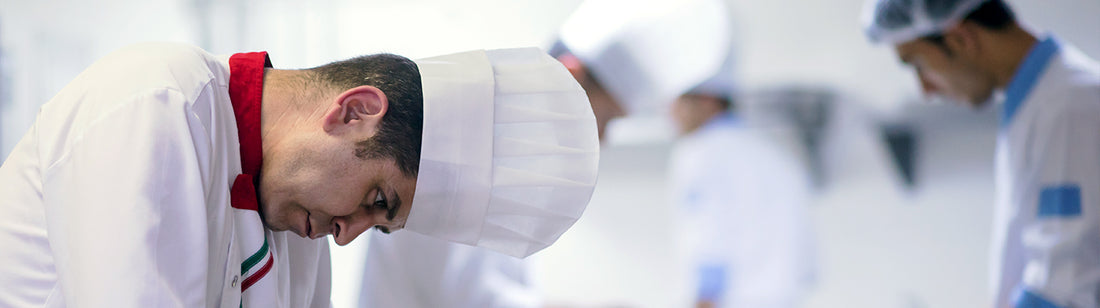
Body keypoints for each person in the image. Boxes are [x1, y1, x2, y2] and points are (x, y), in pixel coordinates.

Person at [0, 42, 599, 307]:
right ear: (356, 110)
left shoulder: (297, 227)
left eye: (377, 224)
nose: (347, 233)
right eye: (376, 199)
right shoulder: (159, 106)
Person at [357, 0, 732, 307]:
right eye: (607, 118)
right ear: (572, 75)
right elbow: (472, 298)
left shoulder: (506, 152)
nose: (602, 138)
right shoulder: (471, 145)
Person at [862, 0, 1100, 307]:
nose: (925, 90)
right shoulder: (1039, 102)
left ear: (962, 38)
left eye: (918, 64)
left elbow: (1065, 284)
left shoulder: (1070, 105)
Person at [669, 43, 816, 308]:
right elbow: (807, 258)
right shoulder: (775, 154)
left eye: (678, 101)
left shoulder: (701, 151)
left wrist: (705, 295)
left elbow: (708, 231)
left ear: (707, 100)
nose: (671, 113)